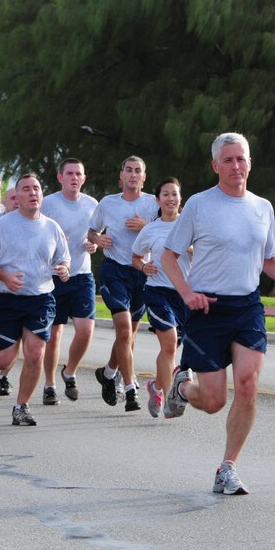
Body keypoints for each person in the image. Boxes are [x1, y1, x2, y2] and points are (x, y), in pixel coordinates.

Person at [162, 133, 275, 495]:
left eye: (241, 159)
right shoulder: (200, 205)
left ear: (250, 162)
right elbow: (169, 256)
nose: (236, 166)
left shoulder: (263, 207)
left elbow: (267, 260)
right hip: (208, 309)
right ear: (216, 165)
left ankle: (228, 467)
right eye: (228, 160)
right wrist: (186, 293)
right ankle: (182, 389)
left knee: (248, 384)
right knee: (214, 401)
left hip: (247, 306)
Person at [0, 174, 70, 426]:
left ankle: (21, 407)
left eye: (36, 188)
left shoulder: (52, 226)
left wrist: (63, 268)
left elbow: (64, 258)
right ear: (17, 197)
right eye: (26, 189)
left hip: (40, 298)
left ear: (41, 193)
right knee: (5, 358)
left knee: (35, 353)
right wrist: (4, 276)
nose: (32, 193)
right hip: (6, 299)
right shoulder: (2, 225)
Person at [88, 156, 158, 412]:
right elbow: (92, 231)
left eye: (137, 170)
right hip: (114, 270)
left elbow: (169, 229)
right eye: (128, 170)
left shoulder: (152, 203)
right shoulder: (108, 203)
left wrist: (146, 226)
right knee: (124, 331)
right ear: (121, 176)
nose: (132, 174)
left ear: (144, 177)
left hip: (141, 272)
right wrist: (98, 238)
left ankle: (108, 373)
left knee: (129, 336)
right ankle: (130, 390)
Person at [41, 158, 99, 405]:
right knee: (54, 335)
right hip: (54, 277)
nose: (75, 178)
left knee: (86, 330)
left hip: (82, 275)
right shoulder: (49, 204)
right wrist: (53, 241)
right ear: (60, 177)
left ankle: (69, 372)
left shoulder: (92, 205)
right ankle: (50, 385)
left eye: (79, 174)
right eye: (70, 174)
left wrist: (94, 244)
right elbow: (37, 234)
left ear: (84, 179)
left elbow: (97, 235)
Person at [132, 177, 190, 418]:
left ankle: (155, 387)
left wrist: (191, 248)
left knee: (171, 350)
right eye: (165, 194)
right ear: (158, 200)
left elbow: (207, 253)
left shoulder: (190, 226)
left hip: (185, 294)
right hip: (157, 292)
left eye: (174, 194)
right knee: (168, 345)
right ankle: (169, 399)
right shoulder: (151, 229)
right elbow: (136, 257)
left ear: (180, 198)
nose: (170, 199)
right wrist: (143, 267)